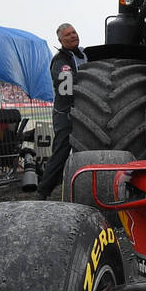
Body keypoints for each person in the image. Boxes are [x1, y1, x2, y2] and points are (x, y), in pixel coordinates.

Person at [36, 22, 87, 200]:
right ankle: (43, 191)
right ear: (60, 40)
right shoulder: (59, 61)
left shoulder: (85, 54)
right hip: (65, 113)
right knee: (61, 152)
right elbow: (66, 86)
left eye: (74, 32)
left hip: (84, 111)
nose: (73, 36)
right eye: (68, 35)